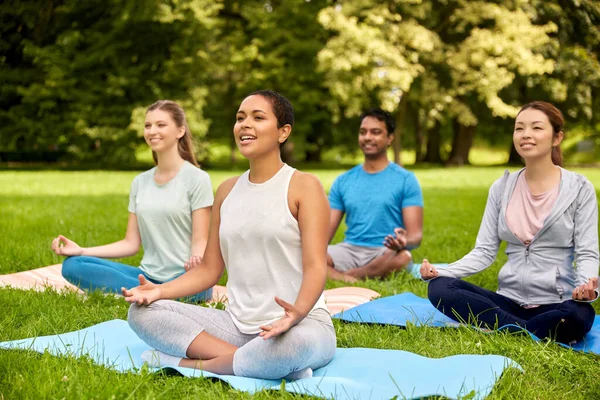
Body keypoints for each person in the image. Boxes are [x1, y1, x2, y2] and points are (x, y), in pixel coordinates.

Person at [122, 90, 335, 380]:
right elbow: (209, 269)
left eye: (258, 118)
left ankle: (191, 365)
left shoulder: (304, 186)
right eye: (240, 118)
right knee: (141, 313)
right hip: (236, 327)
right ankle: (258, 364)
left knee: (292, 347)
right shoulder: (226, 191)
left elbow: (316, 267)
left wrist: (295, 315)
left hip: (301, 324)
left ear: (283, 132)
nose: (244, 124)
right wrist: (159, 291)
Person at [422, 101, 599, 344]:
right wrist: (441, 272)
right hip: (507, 300)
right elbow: (484, 251)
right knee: (439, 289)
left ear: (557, 137)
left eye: (537, 128)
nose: (526, 134)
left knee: (577, 317)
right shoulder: (502, 187)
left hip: (558, 304)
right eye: (519, 128)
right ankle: (526, 328)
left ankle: (505, 326)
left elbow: (587, 252)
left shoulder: (579, 188)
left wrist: (584, 289)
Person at [51, 100, 214, 302]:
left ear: (180, 131)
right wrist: (81, 250)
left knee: (200, 287)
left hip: (185, 278)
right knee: (73, 265)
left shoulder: (197, 179)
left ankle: (151, 293)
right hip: (145, 276)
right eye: (148, 126)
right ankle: (150, 292)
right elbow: (131, 243)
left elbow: (201, 240)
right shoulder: (140, 182)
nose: (152, 131)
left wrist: (197, 261)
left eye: (161, 125)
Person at [327, 108, 423, 282]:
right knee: (307, 256)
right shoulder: (343, 181)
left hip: (385, 252)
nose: (368, 137)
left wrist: (403, 241)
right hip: (350, 250)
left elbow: (416, 237)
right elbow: (324, 234)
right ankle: (362, 276)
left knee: (404, 258)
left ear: (390, 138)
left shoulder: (406, 179)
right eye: (363, 132)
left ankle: (348, 277)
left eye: (376, 132)